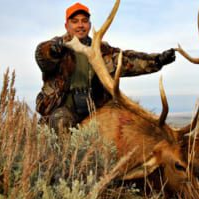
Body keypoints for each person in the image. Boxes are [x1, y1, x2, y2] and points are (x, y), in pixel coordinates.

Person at [35, 2, 176, 131]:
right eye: (75, 21)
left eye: (84, 21)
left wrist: (157, 60)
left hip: (97, 108)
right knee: (61, 123)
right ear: (67, 26)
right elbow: (42, 55)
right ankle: (65, 159)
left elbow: (127, 60)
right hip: (66, 108)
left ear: (89, 25)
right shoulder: (58, 47)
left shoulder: (102, 50)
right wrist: (52, 50)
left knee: (125, 128)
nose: (80, 25)